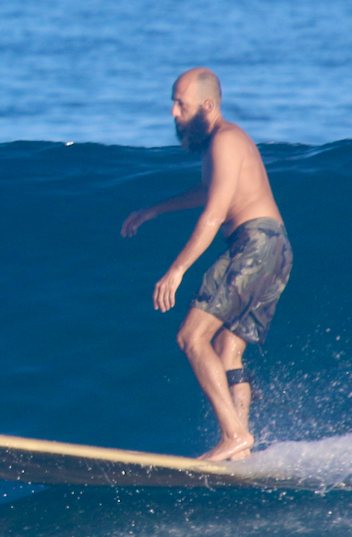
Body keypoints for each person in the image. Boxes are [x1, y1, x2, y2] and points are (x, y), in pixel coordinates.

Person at [119, 69, 291, 461]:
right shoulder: (225, 144)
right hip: (276, 248)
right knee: (227, 349)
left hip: (254, 244)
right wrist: (155, 210)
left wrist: (176, 270)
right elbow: (210, 192)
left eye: (181, 104)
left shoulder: (225, 142)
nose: (173, 113)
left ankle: (234, 436)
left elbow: (213, 216)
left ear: (207, 106)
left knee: (190, 338)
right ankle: (242, 448)